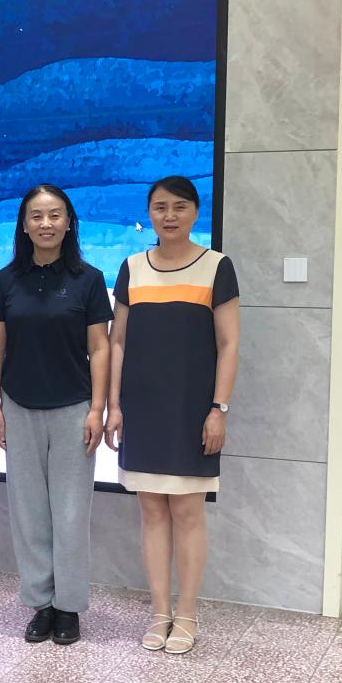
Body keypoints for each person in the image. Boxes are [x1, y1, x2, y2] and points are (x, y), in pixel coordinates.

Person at [105, 175, 240, 655]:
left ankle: (187, 614)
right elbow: (117, 342)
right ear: (149, 212)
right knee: (150, 511)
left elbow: (229, 344)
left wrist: (218, 409)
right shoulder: (132, 268)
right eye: (160, 207)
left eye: (179, 207)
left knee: (186, 512)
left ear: (195, 212)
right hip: (141, 408)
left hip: (191, 411)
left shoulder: (216, 267)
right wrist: (114, 405)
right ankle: (160, 612)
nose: (169, 215)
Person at [0, 184, 112, 645]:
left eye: (55, 215)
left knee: (71, 514)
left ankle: (69, 606)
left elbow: (100, 348)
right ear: (24, 224)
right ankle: (41, 603)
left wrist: (97, 408)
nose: (46, 224)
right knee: (29, 513)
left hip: (74, 408)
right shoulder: (7, 279)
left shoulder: (88, 279)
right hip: (19, 407)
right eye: (37, 216)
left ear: (69, 222)